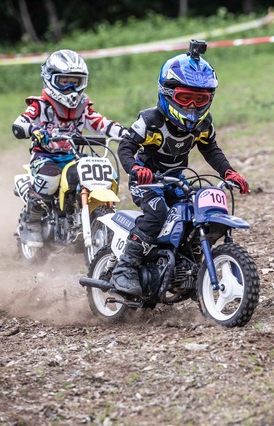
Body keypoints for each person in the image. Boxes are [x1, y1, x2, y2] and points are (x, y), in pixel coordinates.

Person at [110, 40, 249, 297]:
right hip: (147, 182)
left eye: (200, 99)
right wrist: (135, 169)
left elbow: (210, 149)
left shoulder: (202, 124)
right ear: (167, 92)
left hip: (175, 180)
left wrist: (228, 172)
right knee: (157, 213)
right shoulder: (151, 122)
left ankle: (192, 270)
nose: (193, 106)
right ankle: (125, 268)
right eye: (185, 98)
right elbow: (126, 147)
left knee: (196, 211)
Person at [11, 49, 127, 247]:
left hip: (73, 156)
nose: (71, 87)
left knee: (104, 174)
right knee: (49, 178)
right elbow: (19, 124)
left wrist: (125, 133)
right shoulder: (40, 106)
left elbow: (101, 123)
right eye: (64, 82)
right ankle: (30, 222)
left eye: (76, 81)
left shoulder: (83, 108)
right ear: (50, 80)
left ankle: (87, 218)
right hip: (46, 157)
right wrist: (34, 130)